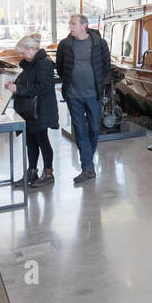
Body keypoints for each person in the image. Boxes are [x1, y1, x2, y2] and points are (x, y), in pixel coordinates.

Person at [55, 14, 110, 184]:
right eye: (70, 24)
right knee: (80, 131)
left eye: (73, 24)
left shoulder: (99, 43)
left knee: (94, 129)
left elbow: (106, 66)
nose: (70, 27)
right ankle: (87, 167)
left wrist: (101, 86)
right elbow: (60, 67)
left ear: (84, 26)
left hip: (93, 94)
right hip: (73, 95)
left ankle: (87, 159)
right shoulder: (65, 45)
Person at [4, 35, 59, 188]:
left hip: (40, 110)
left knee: (42, 142)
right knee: (30, 143)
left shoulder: (43, 64)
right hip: (29, 112)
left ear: (31, 49)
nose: (22, 56)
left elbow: (43, 87)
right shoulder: (30, 64)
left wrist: (18, 89)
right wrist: (13, 85)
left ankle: (48, 173)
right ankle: (32, 172)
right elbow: (29, 81)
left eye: (23, 53)